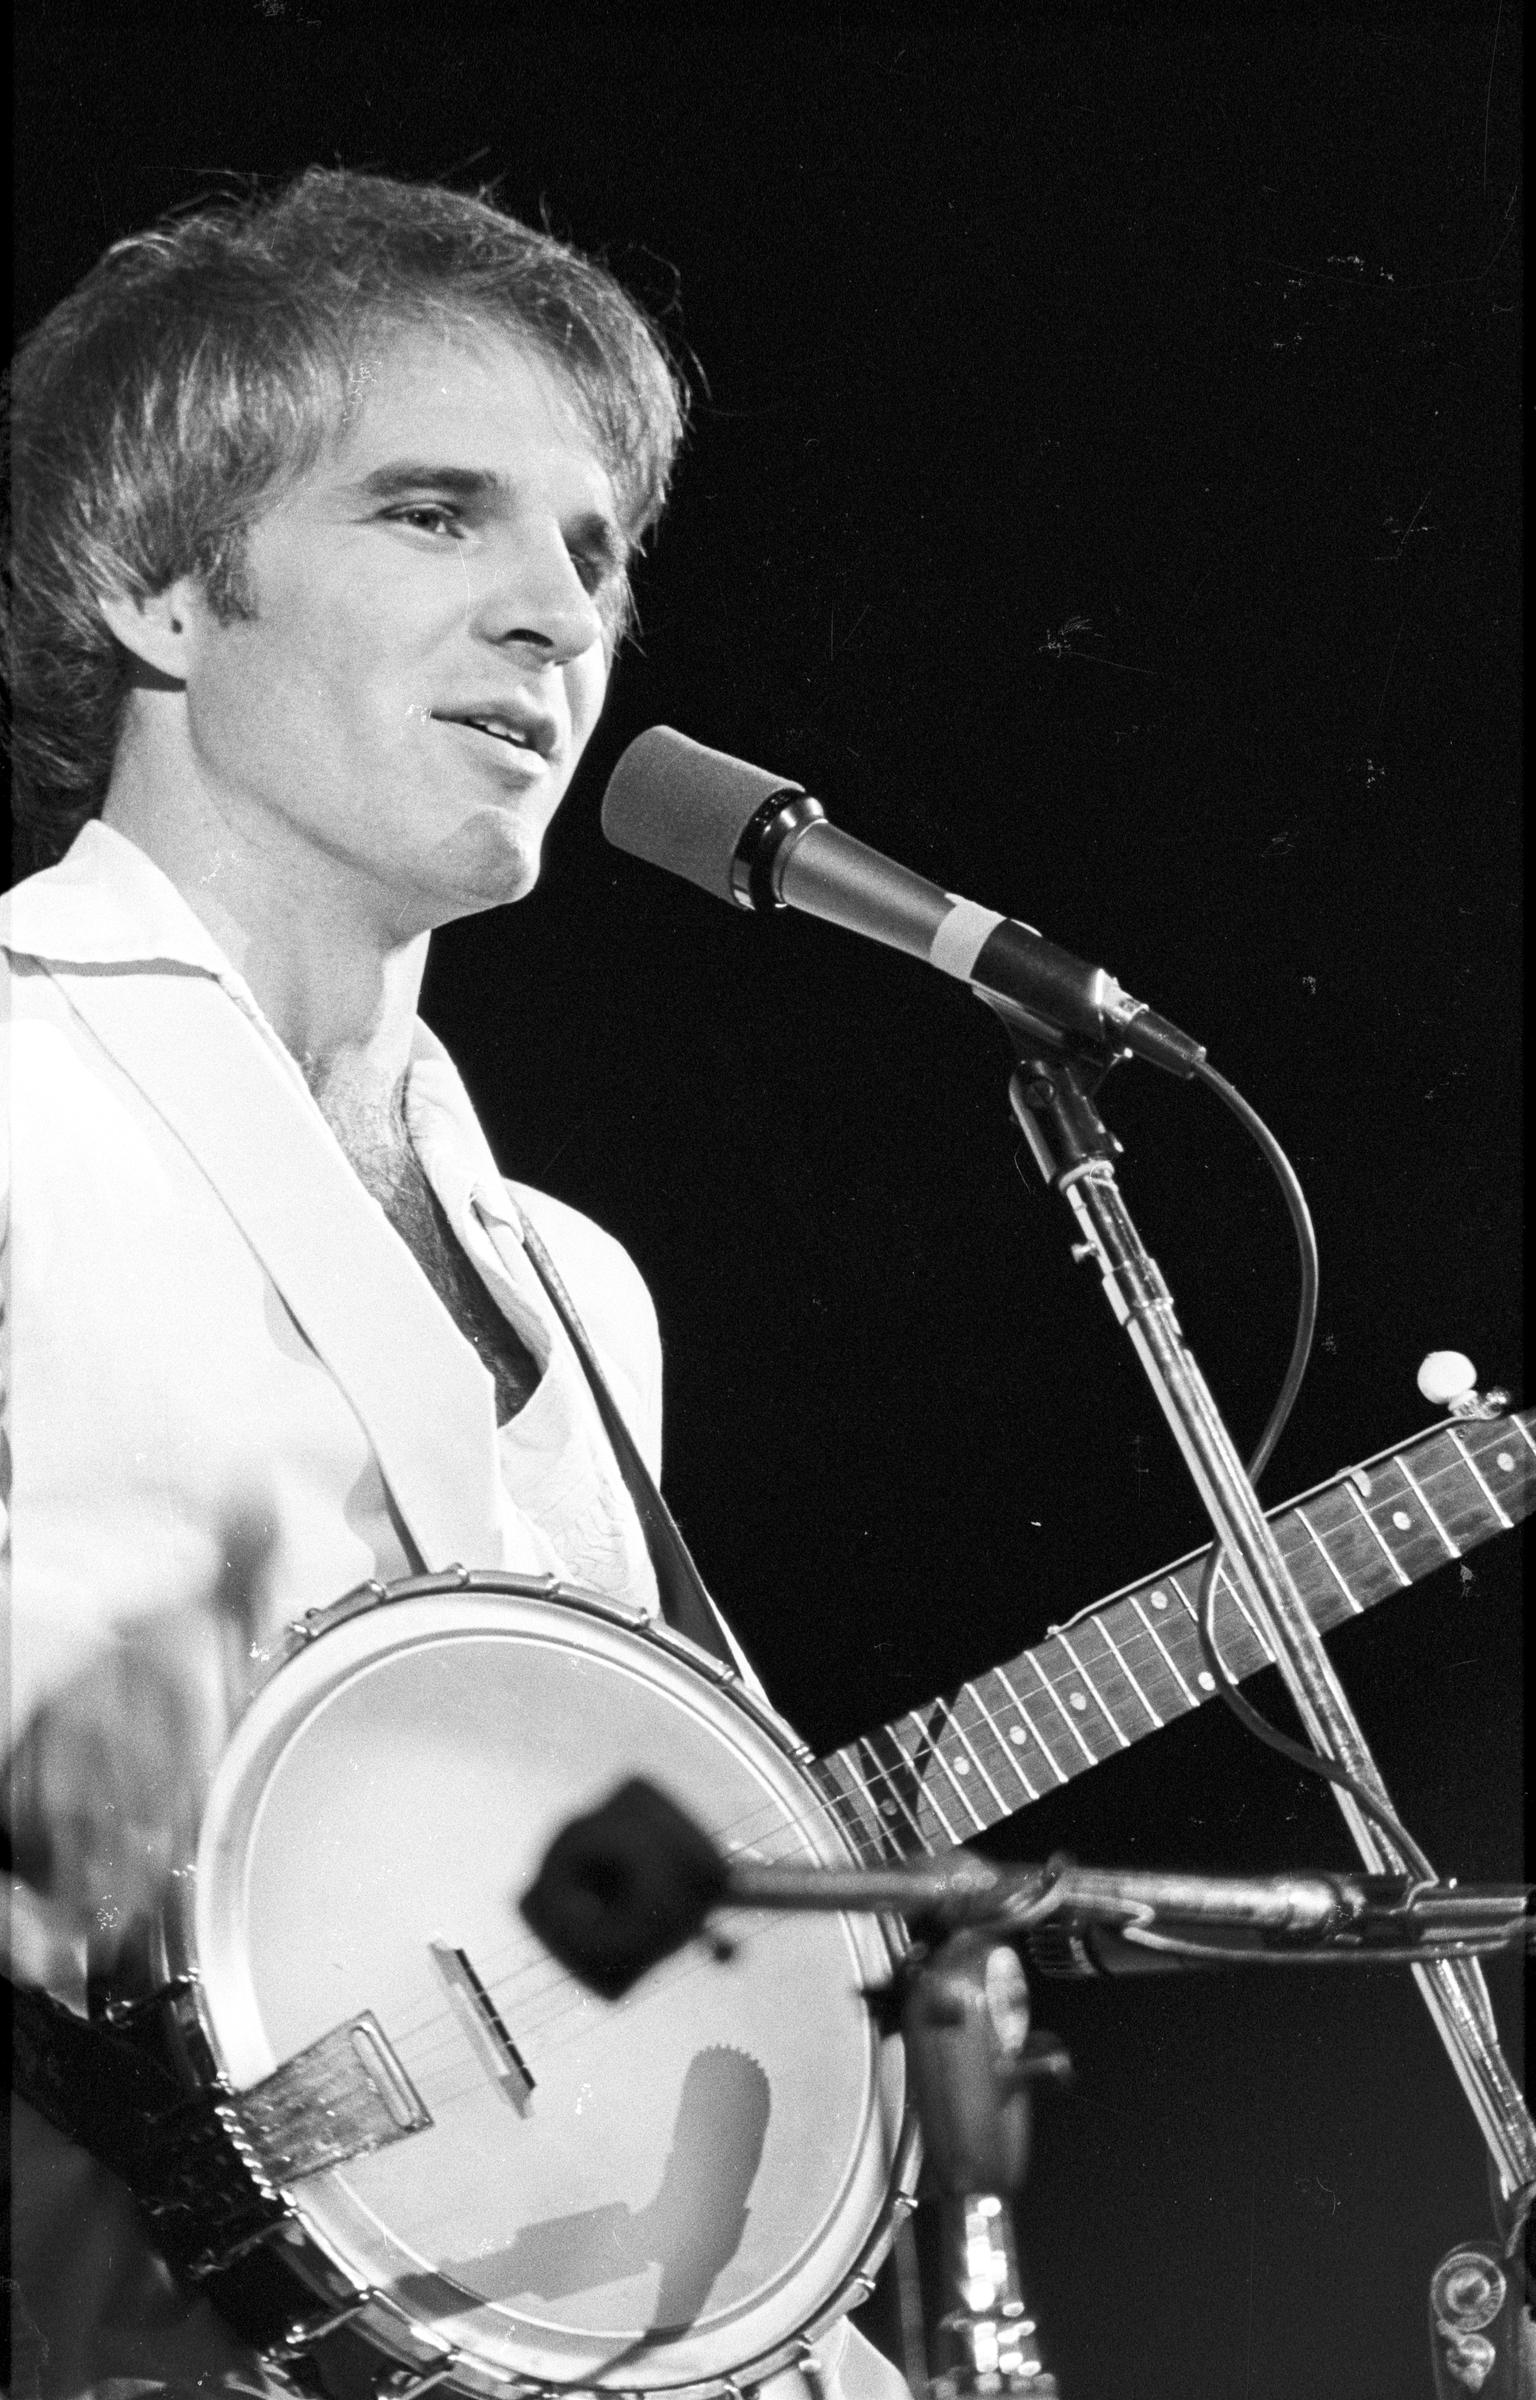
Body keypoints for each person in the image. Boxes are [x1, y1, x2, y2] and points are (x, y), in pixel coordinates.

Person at [2, 168, 910, 2400]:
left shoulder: (576, 1293)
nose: (554, 615)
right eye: (436, 514)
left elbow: (574, 1961)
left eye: (595, 552)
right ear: (154, 587)